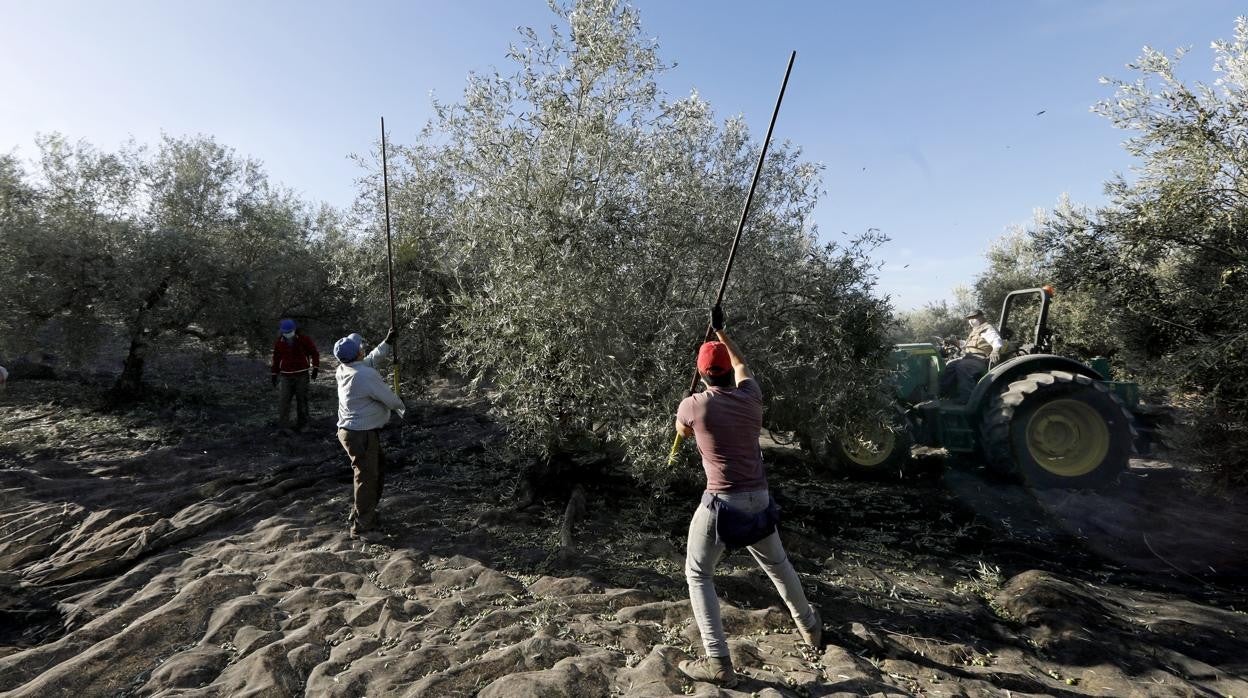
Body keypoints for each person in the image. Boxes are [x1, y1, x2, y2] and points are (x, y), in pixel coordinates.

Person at [673, 305, 821, 688]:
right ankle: (811, 627)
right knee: (779, 566)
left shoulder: (693, 405)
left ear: (703, 373)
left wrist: (690, 400)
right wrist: (722, 333)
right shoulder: (752, 396)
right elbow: (742, 365)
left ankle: (719, 662)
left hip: (722, 505)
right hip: (759, 500)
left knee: (698, 573)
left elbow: (682, 430)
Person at [333, 335, 406, 538]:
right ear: (357, 353)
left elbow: (371, 359)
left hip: (352, 432)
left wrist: (387, 343)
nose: (363, 348)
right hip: (360, 435)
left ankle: (364, 512)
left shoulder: (344, 368)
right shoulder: (364, 375)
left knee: (374, 471)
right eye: (360, 347)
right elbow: (389, 399)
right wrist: (399, 402)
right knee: (367, 477)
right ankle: (363, 525)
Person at [938, 309, 1005, 402]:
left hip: (981, 360)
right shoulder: (975, 331)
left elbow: (996, 340)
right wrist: (954, 342)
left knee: (963, 366)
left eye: (974, 318)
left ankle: (967, 398)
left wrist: (996, 351)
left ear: (981, 317)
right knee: (950, 365)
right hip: (970, 358)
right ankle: (945, 394)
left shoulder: (987, 329)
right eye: (969, 319)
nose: (971, 321)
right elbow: (967, 345)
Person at [270, 319, 320, 433]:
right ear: (281, 331)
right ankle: (284, 427)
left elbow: (314, 352)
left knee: (302, 400)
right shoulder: (279, 342)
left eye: (290, 331)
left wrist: (315, 368)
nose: (288, 334)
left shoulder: (304, 339)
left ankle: (303, 425)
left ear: (295, 330)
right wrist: (274, 373)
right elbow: (276, 358)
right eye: (285, 332)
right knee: (284, 401)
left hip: (302, 374)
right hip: (285, 376)